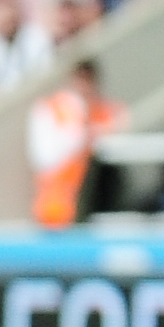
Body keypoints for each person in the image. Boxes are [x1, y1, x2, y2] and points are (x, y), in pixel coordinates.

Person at [27, 60, 126, 228]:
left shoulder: (98, 110)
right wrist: (83, 135)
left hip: (88, 195)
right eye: (81, 79)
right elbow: (44, 156)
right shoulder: (53, 108)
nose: (84, 85)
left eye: (88, 80)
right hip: (57, 200)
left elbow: (119, 122)